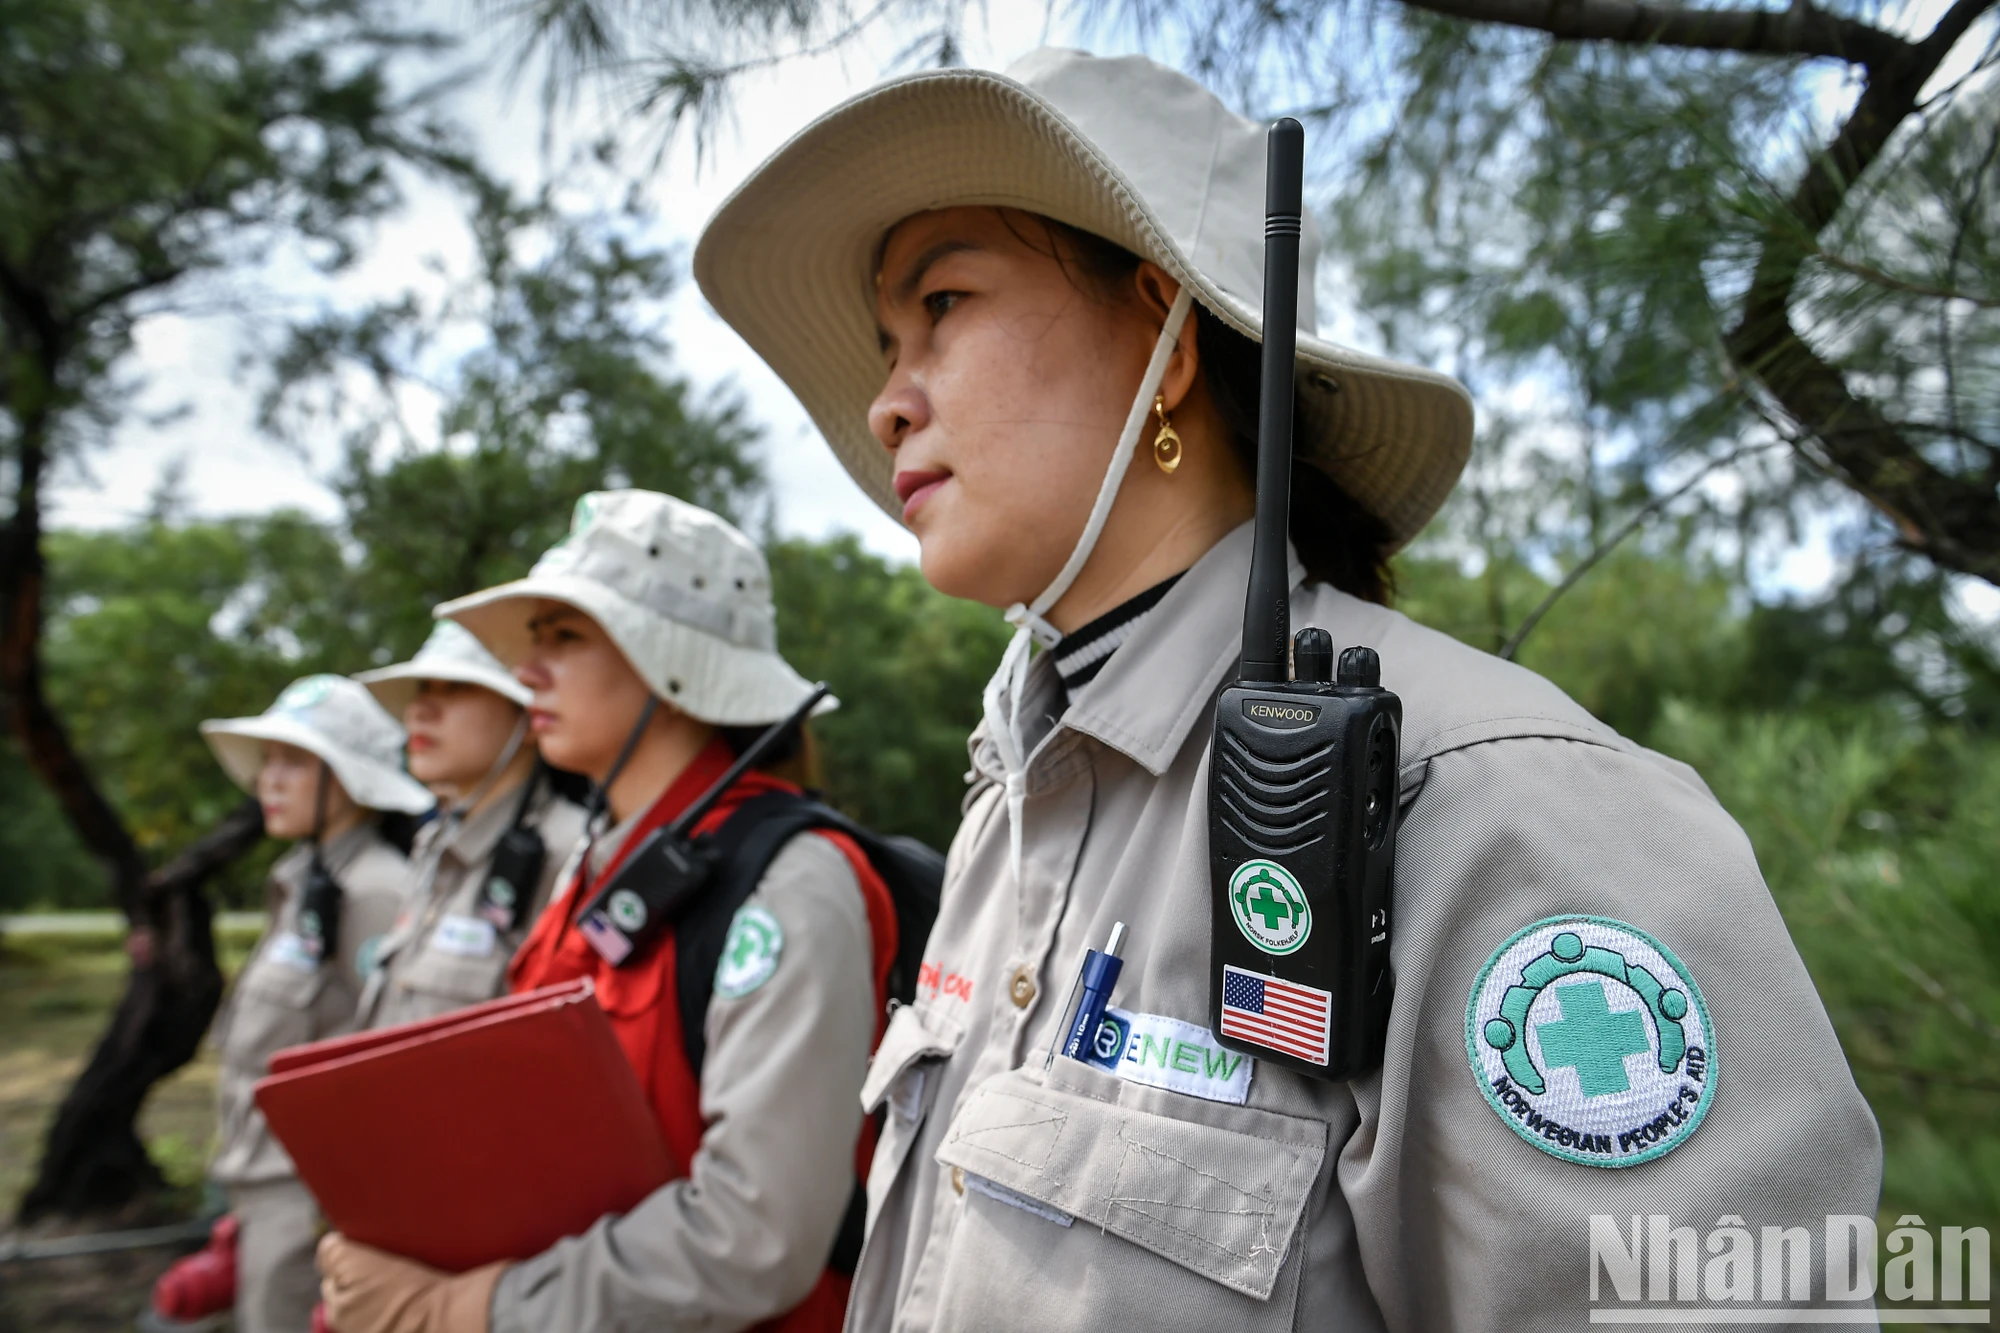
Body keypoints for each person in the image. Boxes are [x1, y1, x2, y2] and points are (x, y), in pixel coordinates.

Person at [690, 48, 1883, 1331]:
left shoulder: (1484, 799)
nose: (883, 403)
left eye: (943, 301)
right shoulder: (1011, 796)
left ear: (1163, 333)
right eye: (883, 342)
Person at [316, 489, 899, 1333]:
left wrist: (472, 1308)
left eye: (566, 636)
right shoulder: (594, 866)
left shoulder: (789, 882)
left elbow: (755, 1238)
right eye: (534, 641)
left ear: (670, 662)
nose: (526, 672)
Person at [196, 674, 434, 1333]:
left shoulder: (378, 891)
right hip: (262, 1194)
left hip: (312, 1213)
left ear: (351, 777)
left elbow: (398, 1063)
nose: (270, 779)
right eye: (268, 760)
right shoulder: (302, 880)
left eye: (295, 762)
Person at [352, 620, 588, 1030]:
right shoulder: (433, 845)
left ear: (530, 714)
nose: (420, 709)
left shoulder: (572, 850)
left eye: (457, 687)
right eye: (423, 688)